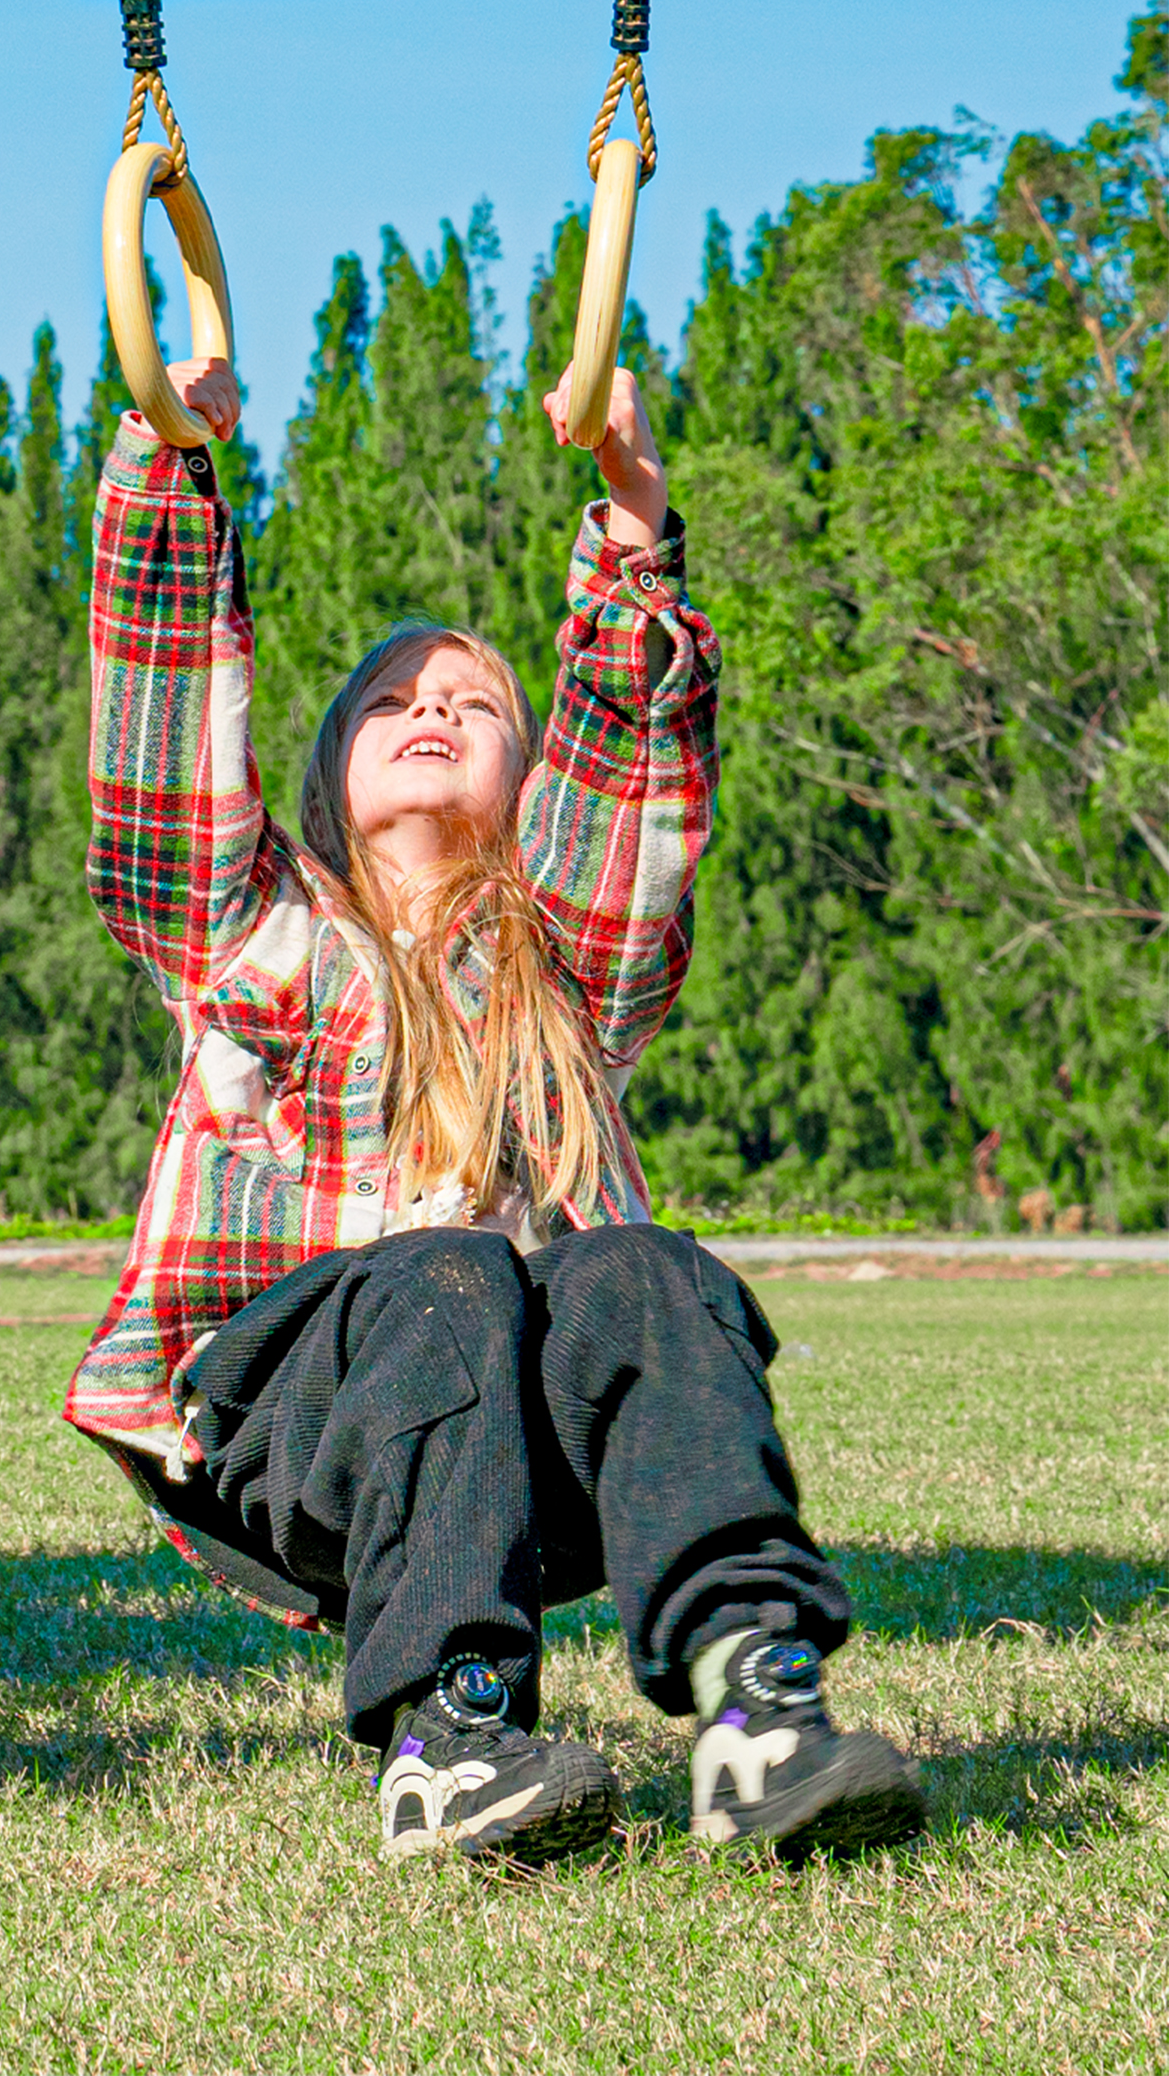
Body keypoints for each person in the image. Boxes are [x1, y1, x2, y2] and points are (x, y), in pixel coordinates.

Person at [63, 351, 923, 1867]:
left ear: (534, 776)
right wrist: (170, 456)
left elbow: (639, 782)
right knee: (449, 1267)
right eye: (392, 697)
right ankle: (451, 1731)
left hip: (521, 1443)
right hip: (301, 1427)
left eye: (474, 698)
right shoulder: (255, 933)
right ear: (326, 769)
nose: (431, 707)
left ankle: (755, 1709)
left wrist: (635, 514)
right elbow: (160, 743)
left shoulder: (565, 975)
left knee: (648, 1270)